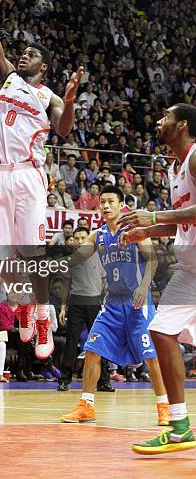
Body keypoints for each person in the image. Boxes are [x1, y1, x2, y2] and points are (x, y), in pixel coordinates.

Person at [0, 0, 83, 359]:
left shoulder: (50, 98)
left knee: (34, 252)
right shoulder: (5, 76)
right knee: (3, 258)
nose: (24, 55)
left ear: (44, 67)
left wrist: (70, 102)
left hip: (27, 176)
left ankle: (41, 315)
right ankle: (24, 306)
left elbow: (64, 131)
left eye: (32, 54)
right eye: (23, 51)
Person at [119, 103, 196, 455]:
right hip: (187, 267)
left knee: (161, 331)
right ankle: (180, 427)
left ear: (182, 125)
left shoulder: (195, 157)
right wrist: (148, 230)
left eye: (165, 116)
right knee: (160, 331)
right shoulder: (174, 168)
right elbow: (182, 221)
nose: (158, 120)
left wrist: (154, 214)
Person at [59, 186, 169, 427]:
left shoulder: (136, 230)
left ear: (121, 205)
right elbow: (77, 259)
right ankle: (86, 406)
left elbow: (153, 260)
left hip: (139, 303)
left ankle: (164, 406)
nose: (106, 206)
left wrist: (143, 287)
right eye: (102, 202)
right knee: (92, 349)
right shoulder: (97, 236)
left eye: (110, 201)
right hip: (112, 305)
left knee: (150, 356)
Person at [56, 227, 112, 393]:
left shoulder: (99, 256)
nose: (80, 241)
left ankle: (104, 381)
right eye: (77, 238)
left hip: (95, 303)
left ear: (89, 238)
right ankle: (65, 379)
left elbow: (105, 282)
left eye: (83, 238)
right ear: (72, 240)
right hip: (76, 303)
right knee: (71, 342)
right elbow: (65, 285)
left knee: (99, 342)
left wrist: (106, 302)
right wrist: (63, 307)